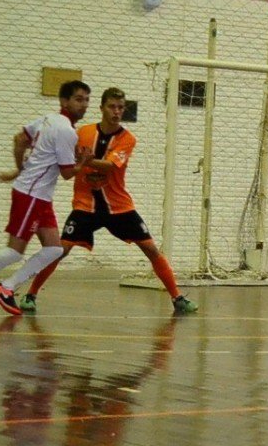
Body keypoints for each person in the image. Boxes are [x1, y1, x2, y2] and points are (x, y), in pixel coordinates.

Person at [21, 86, 197, 316]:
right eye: (112, 107)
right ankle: (30, 295)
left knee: (151, 249)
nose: (117, 112)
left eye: (121, 107)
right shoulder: (82, 133)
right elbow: (63, 154)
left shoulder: (127, 139)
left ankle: (177, 298)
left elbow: (111, 165)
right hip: (85, 205)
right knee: (58, 250)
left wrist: (83, 160)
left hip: (119, 206)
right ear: (102, 107)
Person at [0, 80, 90, 316]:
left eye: (86, 100)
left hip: (39, 195)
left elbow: (19, 139)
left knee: (54, 249)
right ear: (64, 101)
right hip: (31, 195)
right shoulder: (66, 131)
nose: (84, 105)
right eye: (78, 99)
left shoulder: (46, 119)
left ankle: (7, 287)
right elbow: (67, 173)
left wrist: (20, 168)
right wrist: (83, 161)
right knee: (14, 251)